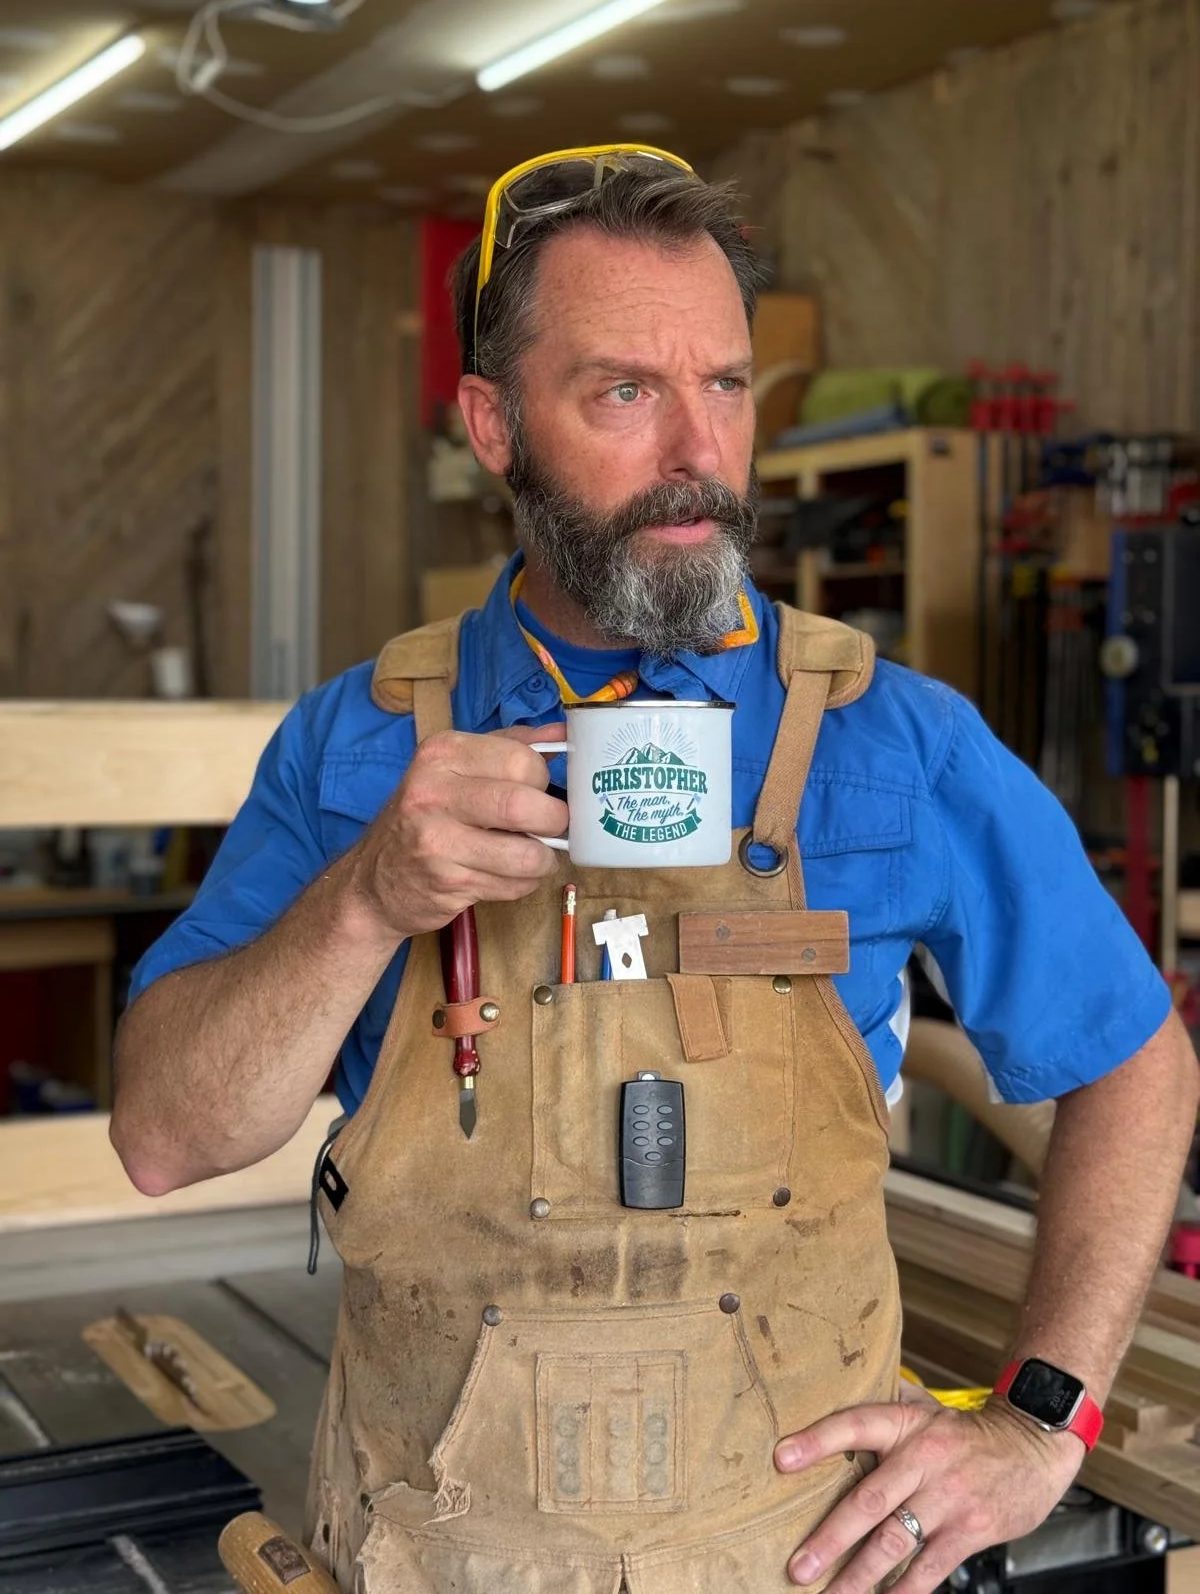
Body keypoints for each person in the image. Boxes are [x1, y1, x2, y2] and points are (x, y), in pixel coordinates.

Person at [111, 145, 1198, 1594]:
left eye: (729, 386)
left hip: (799, 1564)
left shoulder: (896, 742)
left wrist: (1042, 1418)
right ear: (495, 428)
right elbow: (164, 1135)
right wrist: (368, 896)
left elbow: (1134, 1060)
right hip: (434, 1559)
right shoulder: (359, 750)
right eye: (626, 391)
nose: (699, 450)